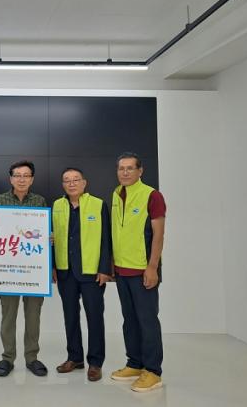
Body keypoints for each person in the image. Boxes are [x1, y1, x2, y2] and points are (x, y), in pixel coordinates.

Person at [0, 160, 49, 377]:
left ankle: (32, 358)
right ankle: (8, 358)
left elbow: (41, 233)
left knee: (33, 316)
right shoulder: (0, 200)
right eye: (17, 175)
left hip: (33, 270)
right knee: (8, 316)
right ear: (11, 179)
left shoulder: (39, 201)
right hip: (7, 270)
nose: (21, 179)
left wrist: (49, 237)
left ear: (32, 179)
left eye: (26, 176)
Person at [110, 152, 166, 392]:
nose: (125, 172)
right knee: (130, 320)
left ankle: (153, 371)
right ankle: (135, 363)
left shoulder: (152, 196)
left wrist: (152, 267)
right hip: (122, 270)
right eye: (121, 168)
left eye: (130, 168)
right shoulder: (116, 193)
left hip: (143, 270)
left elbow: (158, 235)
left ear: (140, 171)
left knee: (147, 321)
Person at [52, 167, 112, 382]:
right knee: (70, 316)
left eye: (75, 180)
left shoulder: (98, 204)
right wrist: (53, 266)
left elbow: (106, 239)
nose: (71, 184)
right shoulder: (56, 206)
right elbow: (51, 238)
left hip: (91, 272)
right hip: (65, 271)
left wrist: (104, 269)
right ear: (63, 185)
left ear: (84, 183)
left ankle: (95, 362)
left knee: (94, 317)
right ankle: (75, 358)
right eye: (67, 180)